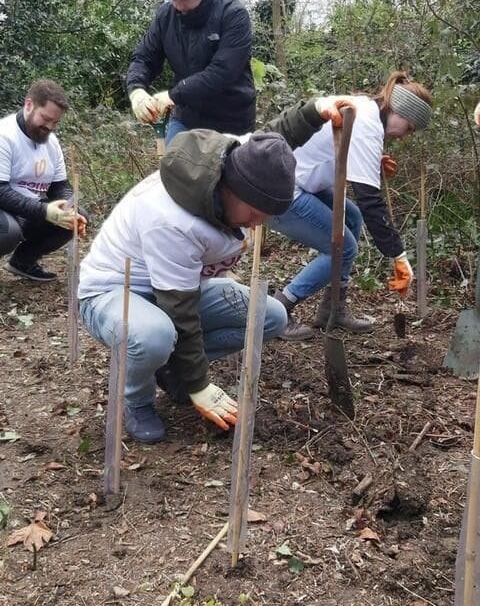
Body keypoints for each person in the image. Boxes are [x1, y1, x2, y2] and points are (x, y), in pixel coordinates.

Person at [78, 98, 348, 444]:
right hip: (115, 291)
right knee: (154, 336)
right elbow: (180, 310)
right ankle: (137, 400)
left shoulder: (234, 161)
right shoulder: (172, 221)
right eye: (253, 214)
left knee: (270, 317)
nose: (257, 224)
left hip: (180, 285)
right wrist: (200, 384)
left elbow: (272, 144)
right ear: (230, 190)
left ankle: (173, 371)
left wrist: (313, 112)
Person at [270, 71, 433, 341]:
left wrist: (372, 162)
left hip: (299, 180)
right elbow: (371, 201)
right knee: (343, 249)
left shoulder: (367, 112)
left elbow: (341, 152)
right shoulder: (367, 123)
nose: (405, 136)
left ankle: (333, 309)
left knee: (352, 217)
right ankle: (280, 308)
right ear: (400, 113)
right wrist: (398, 257)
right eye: (410, 128)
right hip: (277, 189)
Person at [126, 0, 256, 145]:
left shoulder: (233, 14)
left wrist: (173, 95)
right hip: (187, 118)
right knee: (175, 169)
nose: (177, 4)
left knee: (230, 171)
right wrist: (136, 90)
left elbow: (222, 72)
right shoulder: (166, 16)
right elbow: (144, 57)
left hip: (232, 120)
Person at [0, 79, 87, 282]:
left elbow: (60, 186)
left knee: (74, 218)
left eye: (55, 122)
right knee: (7, 231)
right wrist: (46, 211)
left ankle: (23, 261)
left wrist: (68, 208)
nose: (49, 127)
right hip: (5, 210)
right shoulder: (4, 136)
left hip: (26, 211)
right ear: (29, 105)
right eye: (46, 118)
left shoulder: (52, 143)